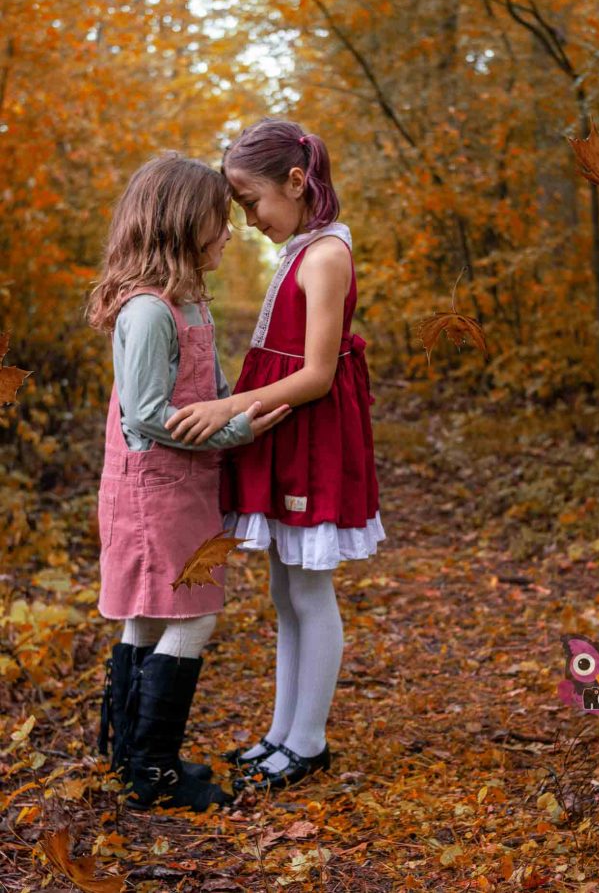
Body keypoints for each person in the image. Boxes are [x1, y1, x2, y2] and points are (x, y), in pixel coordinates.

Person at [166, 119, 385, 790]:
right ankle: (281, 733)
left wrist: (227, 407)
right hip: (284, 426)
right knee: (285, 590)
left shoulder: (324, 254)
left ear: (295, 182)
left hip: (310, 428)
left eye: (251, 202)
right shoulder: (300, 245)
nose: (249, 219)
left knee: (309, 589)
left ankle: (308, 742)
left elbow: (317, 373)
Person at [87, 153, 289, 811]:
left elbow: (200, 387)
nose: (230, 232)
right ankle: (152, 767)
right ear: (181, 222)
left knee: (152, 612)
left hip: (181, 483)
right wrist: (237, 432)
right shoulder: (149, 311)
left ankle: (129, 757)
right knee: (190, 614)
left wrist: (238, 404)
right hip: (155, 487)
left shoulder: (187, 301)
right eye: (218, 221)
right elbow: (145, 412)